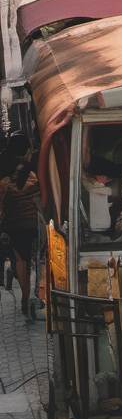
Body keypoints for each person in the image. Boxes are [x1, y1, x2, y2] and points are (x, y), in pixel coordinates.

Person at [0, 134, 39, 317]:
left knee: (20, 259)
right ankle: (30, 294)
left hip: (13, 223)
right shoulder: (32, 171)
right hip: (32, 222)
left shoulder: (3, 169)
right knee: (32, 259)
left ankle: (25, 296)